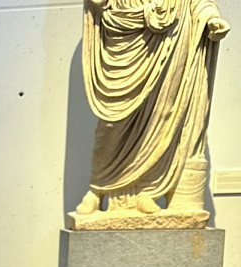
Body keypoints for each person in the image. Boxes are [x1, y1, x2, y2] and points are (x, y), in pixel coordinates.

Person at [72, 0, 230, 224]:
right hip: (126, 31)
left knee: (162, 115)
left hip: (171, 33)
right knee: (112, 124)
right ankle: (97, 190)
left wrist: (211, 17)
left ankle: (145, 191)